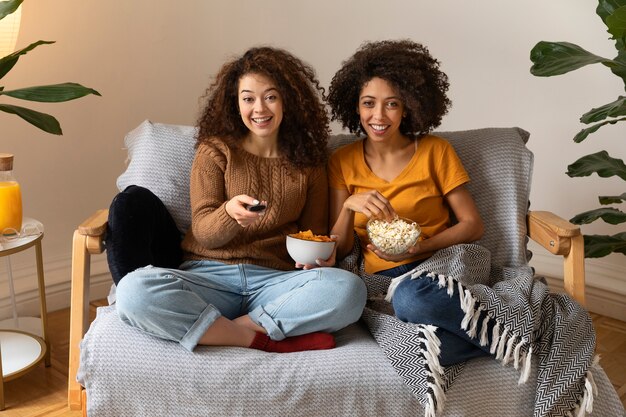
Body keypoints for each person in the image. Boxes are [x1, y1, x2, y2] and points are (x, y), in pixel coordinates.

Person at [115, 46, 367, 354]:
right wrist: (228, 214)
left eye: (270, 96)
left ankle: (231, 328)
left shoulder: (309, 162)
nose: (259, 108)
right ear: (236, 104)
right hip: (209, 277)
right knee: (133, 291)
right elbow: (205, 231)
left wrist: (320, 257)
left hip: (276, 283)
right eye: (248, 98)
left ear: (288, 99)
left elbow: (311, 234)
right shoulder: (215, 151)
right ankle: (260, 338)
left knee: (349, 290)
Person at [327, 40, 486, 365]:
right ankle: (495, 341)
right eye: (368, 103)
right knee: (406, 311)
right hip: (381, 282)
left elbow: (473, 225)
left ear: (409, 106)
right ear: (355, 106)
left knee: (412, 301)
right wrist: (347, 207)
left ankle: (488, 333)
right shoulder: (342, 161)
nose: (378, 115)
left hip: (439, 266)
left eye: (392, 104)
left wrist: (419, 247)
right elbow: (339, 249)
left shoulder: (435, 151)